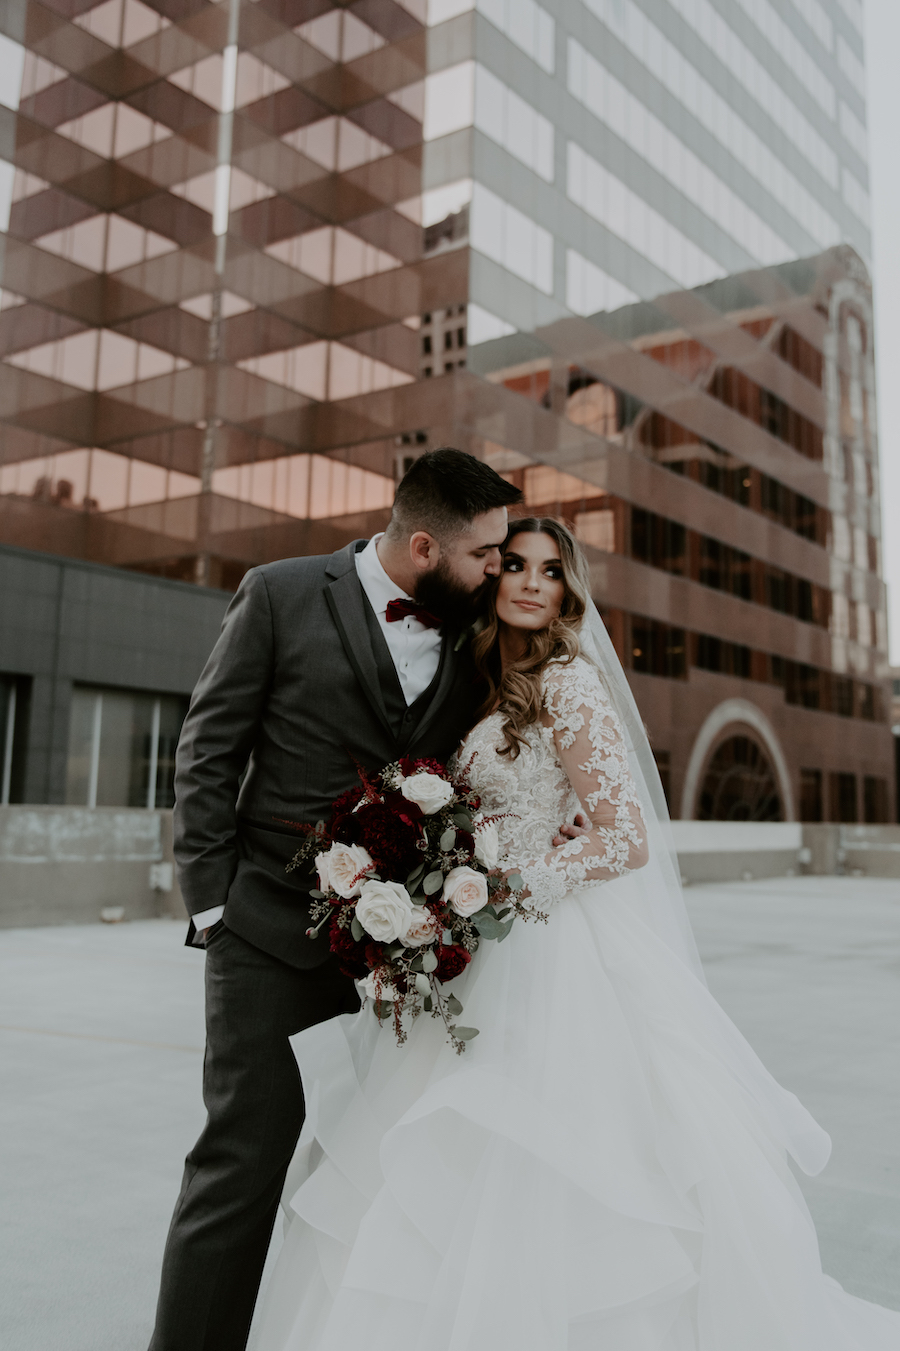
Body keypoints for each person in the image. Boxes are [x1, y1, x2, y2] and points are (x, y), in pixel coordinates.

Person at [251, 517, 900, 1351]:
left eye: (550, 571)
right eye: (514, 565)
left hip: (546, 948)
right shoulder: (488, 687)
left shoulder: (568, 682)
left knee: (543, 1155)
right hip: (481, 941)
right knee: (438, 1156)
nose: (528, 581)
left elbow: (624, 835)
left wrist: (502, 887)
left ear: (568, 590)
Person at [147, 449, 542, 1351]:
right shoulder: (281, 592)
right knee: (240, 1168)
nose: (498, 568)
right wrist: (212, 905)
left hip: (402, 968)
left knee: (378, 1182)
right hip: (265, 940)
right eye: (485, 553)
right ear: (422, 545)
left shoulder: (473, 630)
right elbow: (209, 746)